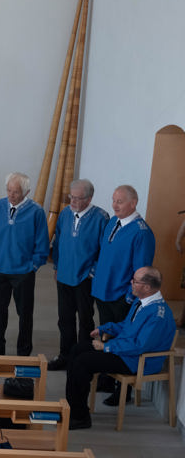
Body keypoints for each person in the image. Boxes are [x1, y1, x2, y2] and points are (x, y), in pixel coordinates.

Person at [64, 267, 176, 430]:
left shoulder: (158, 315)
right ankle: (73, 407)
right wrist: (106, 328)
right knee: (76, 350)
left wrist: (107, 347)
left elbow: (140, 345)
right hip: (125, 351)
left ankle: (80, 417)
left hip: (137, 360)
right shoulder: (141, 301)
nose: (130, 283)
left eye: (135, 281)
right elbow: (127, 326)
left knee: (83, 362)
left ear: (146, 287)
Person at [0, 172, 48, 356]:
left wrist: (33, 266)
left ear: (26, 192)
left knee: (25, 314)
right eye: (9, 190)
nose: (11, 195)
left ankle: (24, 350)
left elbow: (42, 244)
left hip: (23, 272)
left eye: (16, 192)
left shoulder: (36, 212)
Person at [47, 179, 109, 371]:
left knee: (85, 319)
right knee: (64, 318)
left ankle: (82, 358)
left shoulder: (101, 217)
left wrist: (92, 272)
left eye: (77, 198)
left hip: (85, 277)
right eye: (71, 197)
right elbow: (57, 242)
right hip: (64, 275)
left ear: (89, 198)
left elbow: (104, 250)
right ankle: (65, 355)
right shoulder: (65, 213)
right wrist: (57, 266)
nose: (72, 201)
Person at [91, 185, 156, 326]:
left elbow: (143, 271)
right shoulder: (113, 222)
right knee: (105, 335)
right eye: (113, 201)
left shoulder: (142, 233)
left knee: (119, 339)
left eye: (119, 202)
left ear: (133, 203)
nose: (114, 205)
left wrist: (129, 297)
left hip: (120, 297)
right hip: (102, 292)